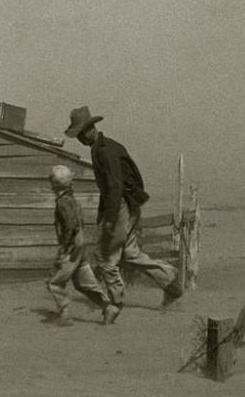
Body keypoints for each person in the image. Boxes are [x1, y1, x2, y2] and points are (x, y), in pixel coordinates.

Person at [64, 106, 182, 323]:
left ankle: (115, 303)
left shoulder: (105, 151)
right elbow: (110, 188)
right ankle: (170, 283)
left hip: (121, 206)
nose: (80, 139)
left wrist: (109, 220)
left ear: (90, 129)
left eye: (81, 133)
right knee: (130, 254)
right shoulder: (102, 147)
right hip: (124, 205)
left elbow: (115, 186)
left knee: (106, 257)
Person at [45, 164, 116, 325]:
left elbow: (70, 225)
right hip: (81, 245)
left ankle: (64, 315)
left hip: (72, 247)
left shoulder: (62, 202)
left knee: (54, 281)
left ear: (54, 185)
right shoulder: (74, 200)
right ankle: (108, 307)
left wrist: (65, 246)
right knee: (84, 282)